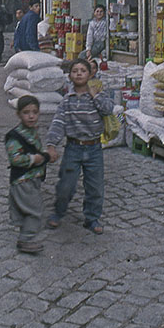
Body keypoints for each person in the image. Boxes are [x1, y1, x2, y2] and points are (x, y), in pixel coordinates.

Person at [44, 58, 114, 235]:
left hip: (94, 148)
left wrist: (94, 94)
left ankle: (92, 218)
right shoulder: (67, 101)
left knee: (95, 186)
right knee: (66, 184)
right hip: (73, 148)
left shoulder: (98, 94)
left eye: (83, 70)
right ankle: (58, 212)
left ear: (90, 74)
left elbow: (108, 109)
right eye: (75, 71)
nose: (79, 74)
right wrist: (51, 144)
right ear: (70, 76)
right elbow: (58, 122)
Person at [5, 95, 52, 255]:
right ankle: (26, 239)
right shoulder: (14, 137)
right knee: (34, 209)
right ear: (18, 114)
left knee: (28, 206)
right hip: (23, 180)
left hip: (33, 179)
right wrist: (35, 159)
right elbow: (16, 158)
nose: (31, 116)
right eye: (26, 112)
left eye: (34, 112)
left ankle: (25, 235)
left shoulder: (32, 132)